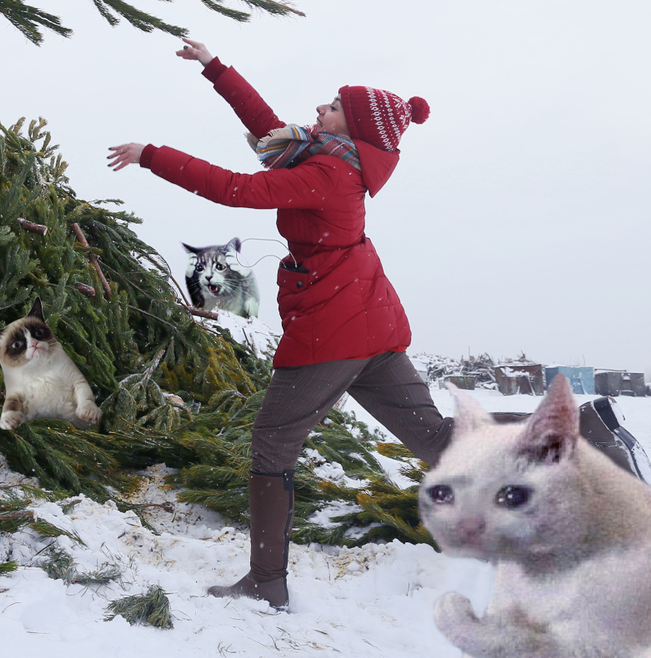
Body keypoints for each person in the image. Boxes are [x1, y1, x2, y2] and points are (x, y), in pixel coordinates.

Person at [107, 38, 445, 611]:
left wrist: (150, 154)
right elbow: (266, 127)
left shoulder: (330, 174)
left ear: (354, 127)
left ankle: (266, 583)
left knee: (272, 442)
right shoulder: (319, 157)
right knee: (435, 439)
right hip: (369, 319)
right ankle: (581, 442)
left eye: (334, 105)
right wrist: (215, 67)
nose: (320, 108)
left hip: (334, 326)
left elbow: (236, 190)